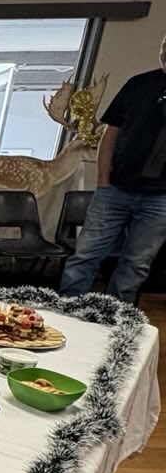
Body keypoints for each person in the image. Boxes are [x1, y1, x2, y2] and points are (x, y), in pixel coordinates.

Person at [59, 35, 166, 302]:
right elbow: (110, 136)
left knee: (136, 264)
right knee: (85, 255)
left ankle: (114, 317)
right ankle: (66, 309)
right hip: (115, 190)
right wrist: (103, 182)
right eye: (165, 47)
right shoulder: (138, 85)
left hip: (160, 199)